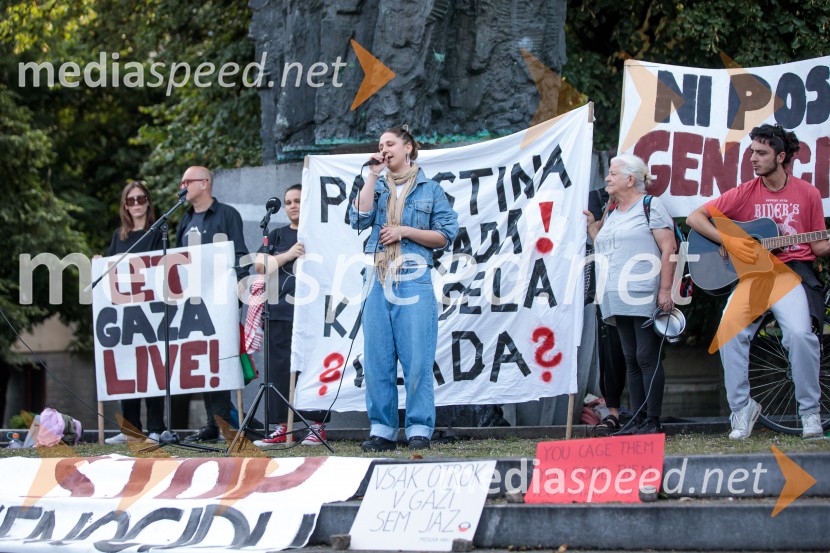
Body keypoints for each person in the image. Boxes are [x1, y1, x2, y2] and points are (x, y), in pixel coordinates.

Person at [687, 124, 829, 439]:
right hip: (756, 275)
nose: (753, 158)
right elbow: (695, 218)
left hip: (791, 273)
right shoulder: (746, 191)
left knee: (799, 335)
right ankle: (741, 410)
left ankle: (809, 414)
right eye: (752, 151)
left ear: (781, 157)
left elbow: (819, 246)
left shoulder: (808, 194)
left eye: (761, 152)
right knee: (729, 333)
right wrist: (729, 241)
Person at [349, 126, 458, 451]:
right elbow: (358, 219)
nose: (384, 149)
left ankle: (419, 427)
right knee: (377, 358)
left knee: (416, 357)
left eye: (390, 143)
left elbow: (446, 234)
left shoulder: (430, 189)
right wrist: (371, 175)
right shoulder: (375, 184)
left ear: (408, 147)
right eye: (380, 145)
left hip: (413, 276)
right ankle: (382, 429)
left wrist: (405, 231)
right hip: (377, 278)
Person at [585, 154, 677, 435]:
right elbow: (604, 245)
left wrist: (664, 289)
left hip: (642, 291)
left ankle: (652, 420)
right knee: (630, 358)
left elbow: (669, 248)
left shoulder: (650, 206)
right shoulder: (611, 212)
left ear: (630, 179)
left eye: (613, 174)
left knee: (646, 356)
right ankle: (637, 419)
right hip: (614, 294)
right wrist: (592, 228)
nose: (607, 179)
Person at [251, 184, 330, 446]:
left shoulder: (318, 233)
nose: (293, 205)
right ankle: (282, 426)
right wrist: (288, 254)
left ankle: (316, 425)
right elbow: (260, 265)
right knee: (279, 370)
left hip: (312, 312)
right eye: (288, 202)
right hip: (280, 311)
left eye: (297, 200)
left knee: (311, 368)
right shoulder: (276, 235)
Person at [175, 166, 249, 443]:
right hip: (193, 304)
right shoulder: (184, 219)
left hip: (221, 301)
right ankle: (212, 424)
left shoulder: (227, 215)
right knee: (202, 361)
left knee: (221, 362)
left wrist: (237, 294)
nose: (181, 187)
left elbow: (240, 255)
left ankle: (226, 422)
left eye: (187, 181)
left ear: (204, 183)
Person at [103, 181, 166, 444]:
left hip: (150, 311)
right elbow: (108, 269)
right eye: (131, 200)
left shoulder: (157, 231)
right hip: (125, 313)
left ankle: (155, 427)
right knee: (129, 368)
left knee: (152, 368)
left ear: (149, 202)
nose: (137, 204)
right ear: (125, 206)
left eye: (141, 199)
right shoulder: (119, 236)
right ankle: (131, 429)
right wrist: (99, 263)